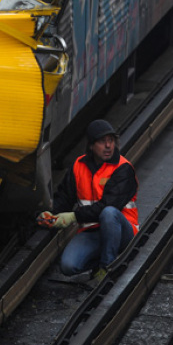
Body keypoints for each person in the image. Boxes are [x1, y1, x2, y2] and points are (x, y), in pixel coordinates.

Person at [39, 119, 139, 281]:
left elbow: (108, 205)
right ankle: (99, 260)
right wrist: (49, 214)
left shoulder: (123, 168)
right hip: (92, 231)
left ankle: (106, 267)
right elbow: (64, 197)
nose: (108, 146)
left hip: (122, 232)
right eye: (102, 142)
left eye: (111, 141)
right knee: (68, 266)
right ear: (91, 146)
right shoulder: (79, 166)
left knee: (109, 213)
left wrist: (73, 217)